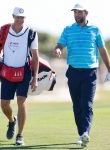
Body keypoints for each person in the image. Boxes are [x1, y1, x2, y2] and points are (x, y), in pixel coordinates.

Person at [53, 3, 110, 147]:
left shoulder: (95, 30)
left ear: (86, 13)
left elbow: (103, 51)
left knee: (87, 104)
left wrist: (109, 69)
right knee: (77, 105)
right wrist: (58, 49)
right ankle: (81, 133)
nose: (76, 15)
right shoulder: (68, 30)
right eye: (75, 13)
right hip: (73, 72)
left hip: (89, 73)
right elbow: (59, 44)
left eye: (79, 12)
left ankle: (85, 133)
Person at [0, 7, 39, 146]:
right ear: (13, 16)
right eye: (18, 17)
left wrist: (35, 77)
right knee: (4, 104)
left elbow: (35, 56)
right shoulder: (3, 30)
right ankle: (11, 121)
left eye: (23, 17)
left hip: (24, 71)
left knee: (21, 101)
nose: (20, 20)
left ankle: (20, 135)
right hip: (7, 71)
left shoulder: (31, 33)